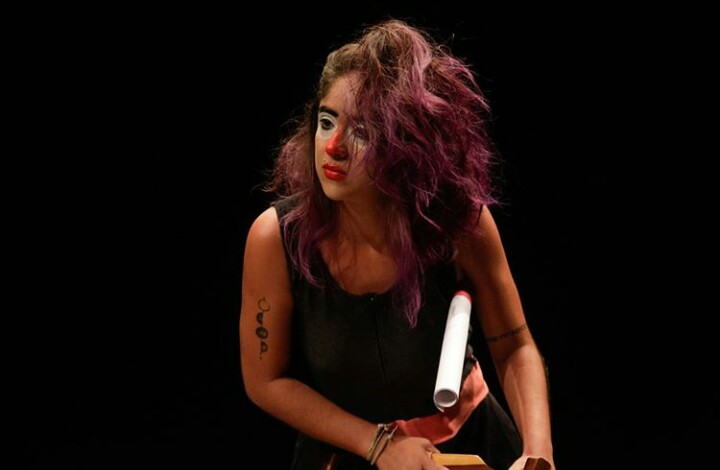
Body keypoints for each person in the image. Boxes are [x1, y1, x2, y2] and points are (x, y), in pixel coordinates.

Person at [240, 19, 555, 470]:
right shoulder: (275, 237)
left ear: (406, 143)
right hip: (348, 455)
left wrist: (538, 453)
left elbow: (514, 346)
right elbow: (265, 381)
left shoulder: (459, 222)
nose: (334, 146)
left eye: (363, 131)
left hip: (472, 447)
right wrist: (379, 445)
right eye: (327, 122)